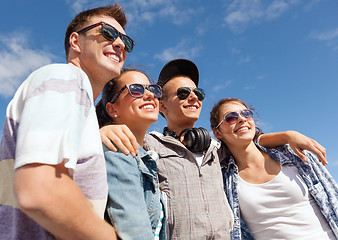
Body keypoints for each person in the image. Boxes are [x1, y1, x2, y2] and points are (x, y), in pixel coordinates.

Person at [100, 59, 327, 239]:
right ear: (161, 106)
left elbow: (247, 139)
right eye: (182, 93)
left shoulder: (218, 147)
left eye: (198, 94)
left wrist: (287, 135)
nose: (193, 98)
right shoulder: (149, 145)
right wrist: (102, 130)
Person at [0, 3, 135, 239]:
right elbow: (41, 190)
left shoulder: (78, 103)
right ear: (76, 42)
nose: (120, 44)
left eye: (127, 41)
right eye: (108, 32)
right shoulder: (66, 78)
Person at [210, 97, 338, 240]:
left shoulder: (295, 155)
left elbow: (334, 198)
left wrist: (288, 134)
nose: (242, 119)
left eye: (246, 113)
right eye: (231, 118)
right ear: (218, 133)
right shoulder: (223, 181)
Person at [95, 68, 166, 240]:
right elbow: (135, 232)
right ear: (112, 109)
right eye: (136, 89)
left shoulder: (144, 158)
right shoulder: (117, 149)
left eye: (153, 89)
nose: (149, 95)